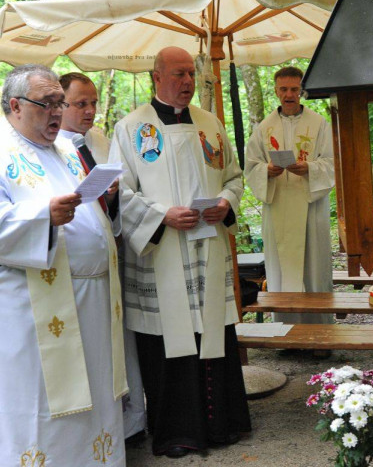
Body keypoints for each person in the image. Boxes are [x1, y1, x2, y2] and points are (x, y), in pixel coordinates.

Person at [0, 64, 127, 466]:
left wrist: (106, 200)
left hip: (91, 307)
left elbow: (88, 216)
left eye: (60, 103)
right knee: (38, 410)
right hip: (30, 315)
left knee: (94, 402)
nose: (58, 112)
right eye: (47, 104)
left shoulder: (66, 148)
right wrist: (42, 216)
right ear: (15, 105)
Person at [109, 46, 251, 458]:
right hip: (162, 253)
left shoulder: (210, 123)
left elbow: (234, 176)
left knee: (213, 334)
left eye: (191, 73)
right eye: (178, 74)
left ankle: (221, 425)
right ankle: (176, 432)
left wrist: (226, 201)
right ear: (156, 77)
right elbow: (122, 192)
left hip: (207, 250)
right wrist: (161, 215)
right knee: (168, 342)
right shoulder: (131, 128)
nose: (187, 81)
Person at [58, 71, 147, 441]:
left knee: (121, 342)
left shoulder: (98, 140)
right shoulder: (51, 148)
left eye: (93, 102)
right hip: (75, 271)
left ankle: (132, 420)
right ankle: (99, 429)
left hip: (111, 258)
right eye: (81, 103)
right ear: (58, 105)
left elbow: (116, 203)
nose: (91, 110)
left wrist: (111, 197)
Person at [244, 66, 335, 329]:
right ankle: (286, 331)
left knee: (313, 270)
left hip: (311, 206)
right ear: (275, 90)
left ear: (302, 90)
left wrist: (310, 168)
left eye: (294, 89)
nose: (289, 95)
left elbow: (332, 162)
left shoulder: (319, 124)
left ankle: (319, 332)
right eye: (283, 89)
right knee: (282, 270)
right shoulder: (264, 127)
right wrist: (267, 171)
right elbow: (251, 166)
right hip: (279, 206)